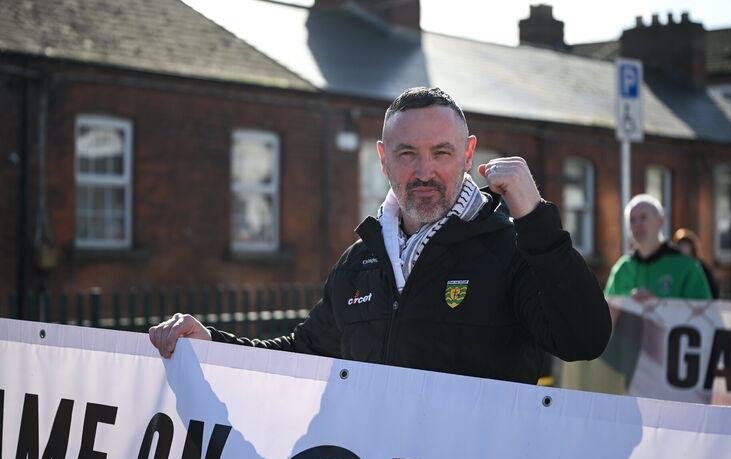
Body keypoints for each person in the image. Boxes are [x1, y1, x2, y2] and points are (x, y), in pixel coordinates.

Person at [150, 87, 611, 385]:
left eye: (441, 153)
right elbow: (302, 354)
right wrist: (210, 342)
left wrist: (535, 220)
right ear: (383, 158)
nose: (424, 171)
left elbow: (583, 341)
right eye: (407, 153)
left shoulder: (513, 247)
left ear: (468, 154)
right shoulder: (359, 263)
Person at [605, 194, 712, 300]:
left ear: (660, 221)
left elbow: (704, 311)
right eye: (632, 220)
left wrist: (658, 305)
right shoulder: (622, 268)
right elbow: (607, 309)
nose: (637, 224)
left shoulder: (687, 266)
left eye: (643, 218)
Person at [672, 227, 720, 299]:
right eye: (680, 245)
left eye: (686, 245)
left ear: (692, 247)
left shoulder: (701, 267)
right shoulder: (673, 267)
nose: (683, 248)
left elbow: (712, 289)